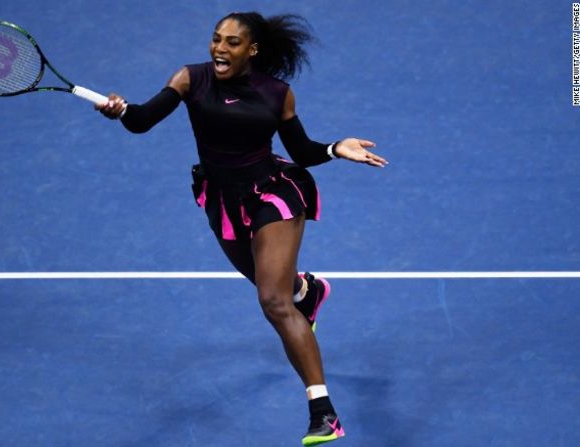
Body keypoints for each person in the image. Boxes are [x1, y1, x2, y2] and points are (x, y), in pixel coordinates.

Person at [96, 11, 387, 446]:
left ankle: (323, 412)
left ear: (251, 50)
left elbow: (302, 151)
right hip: (222, 201)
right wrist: (119, 110)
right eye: (216, 39)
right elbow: (141, 120)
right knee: (277, 289)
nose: (219, 48)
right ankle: (308, 291)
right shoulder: (190, 79)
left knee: (272, 301)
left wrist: (334, 148)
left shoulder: (277, 94)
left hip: (273, 194)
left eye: (232, 42)